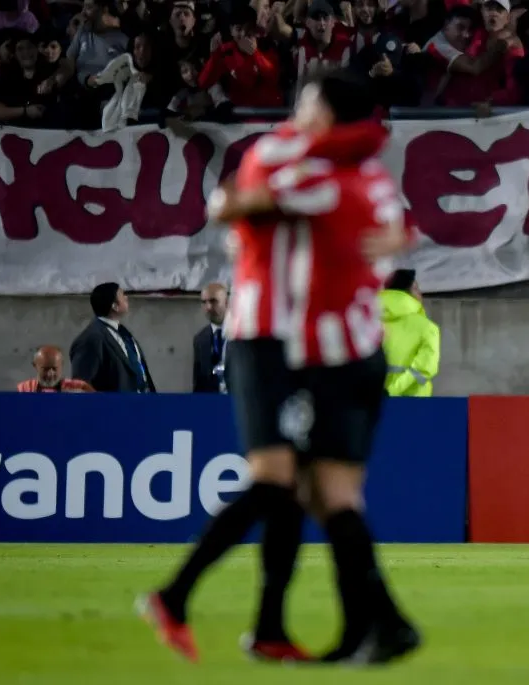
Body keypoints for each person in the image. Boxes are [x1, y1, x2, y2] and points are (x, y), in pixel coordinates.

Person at [139, 68, 418, 666]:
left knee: (297, 486)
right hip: (329, 346)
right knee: (307, 488)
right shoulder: (359, 173)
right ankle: (337, 628)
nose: (297, 110)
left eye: (307, 102)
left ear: (323, 113)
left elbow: (236, 203)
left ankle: (193, 600)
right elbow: (396, 222)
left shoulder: (308, 165)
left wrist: (233, 209)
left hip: (291, 342)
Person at [70, 283, 156, 393]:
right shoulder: (90, 339)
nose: (126, 297)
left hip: (141, 405)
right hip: (116, 408)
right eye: (122, 295)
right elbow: (81, 385)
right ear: (114, 305)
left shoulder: (124, 333)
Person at [379, 269, 440, 397]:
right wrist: (391, 392)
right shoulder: (427, 328)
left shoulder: (368, 324)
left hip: (370, 405)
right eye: (417, 289)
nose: (420, 295)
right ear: (411, 290)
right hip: (413, 406)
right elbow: (425, 368)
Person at [192, 282, 228, 394]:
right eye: (204, 302)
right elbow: (199, 384)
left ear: (227, 303)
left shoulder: (244, 334)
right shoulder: (200, 339)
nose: (208, 307)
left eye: (213, 301)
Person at [17, 345, 94, 393]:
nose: (50, 373)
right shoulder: (24, 389)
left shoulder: (80, 387)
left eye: (54, 368)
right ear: (35, 366)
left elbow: (98, 407)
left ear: (62, 365)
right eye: (45, 369)